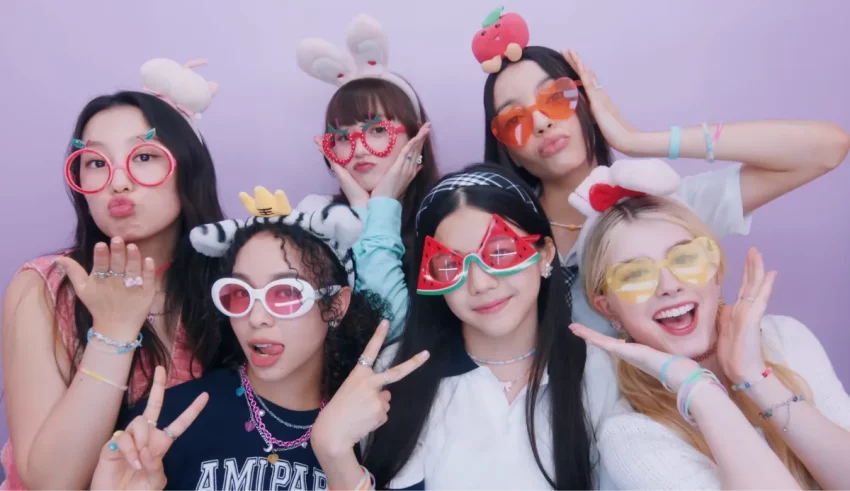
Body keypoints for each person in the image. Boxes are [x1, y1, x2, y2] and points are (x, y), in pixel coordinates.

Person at [477, 9, 850, 335]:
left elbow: (825, 149)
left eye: (556, 98)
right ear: (509, 151)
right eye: (514, 120)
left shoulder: (666, 205)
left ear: (589, 103)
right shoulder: (500, 239)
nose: (540, 121)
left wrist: (635, 139)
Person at [307, 164, 620, 490]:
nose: (480, 283)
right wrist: (333, 453)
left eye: (500, 252)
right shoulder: (396, 373)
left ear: (544, 255)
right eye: (449, 264)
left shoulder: (594, 368)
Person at [1, 58, 224, 490]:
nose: (118, 182)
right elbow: (52, 482)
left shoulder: (234, 282)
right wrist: (114, 334)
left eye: (144, 155)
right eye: (96, 162)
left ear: (188, 165)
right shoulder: (45, 287)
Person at [568, 159, 850, 490]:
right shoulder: (632, 433)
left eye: (685, 259)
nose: (669, 285)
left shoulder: (784, 337)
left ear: (715, 269)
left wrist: (754, 377)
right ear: (607, 308)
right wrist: (699, 389)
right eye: (635, 275)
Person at [88, 188, 393, 490]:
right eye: (240, 294)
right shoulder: (163, 426)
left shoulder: (370, 428)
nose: (256, 317)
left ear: (335, 305)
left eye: (286, 293)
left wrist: (337, 457)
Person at [296, 14, 439, 342]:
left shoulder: (447, 214)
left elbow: (386, 325)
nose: (358, 150)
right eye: (342, 137)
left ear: (417, 137)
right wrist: (366, 209)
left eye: (377, 131)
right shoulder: (316, 218)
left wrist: (382, 207)